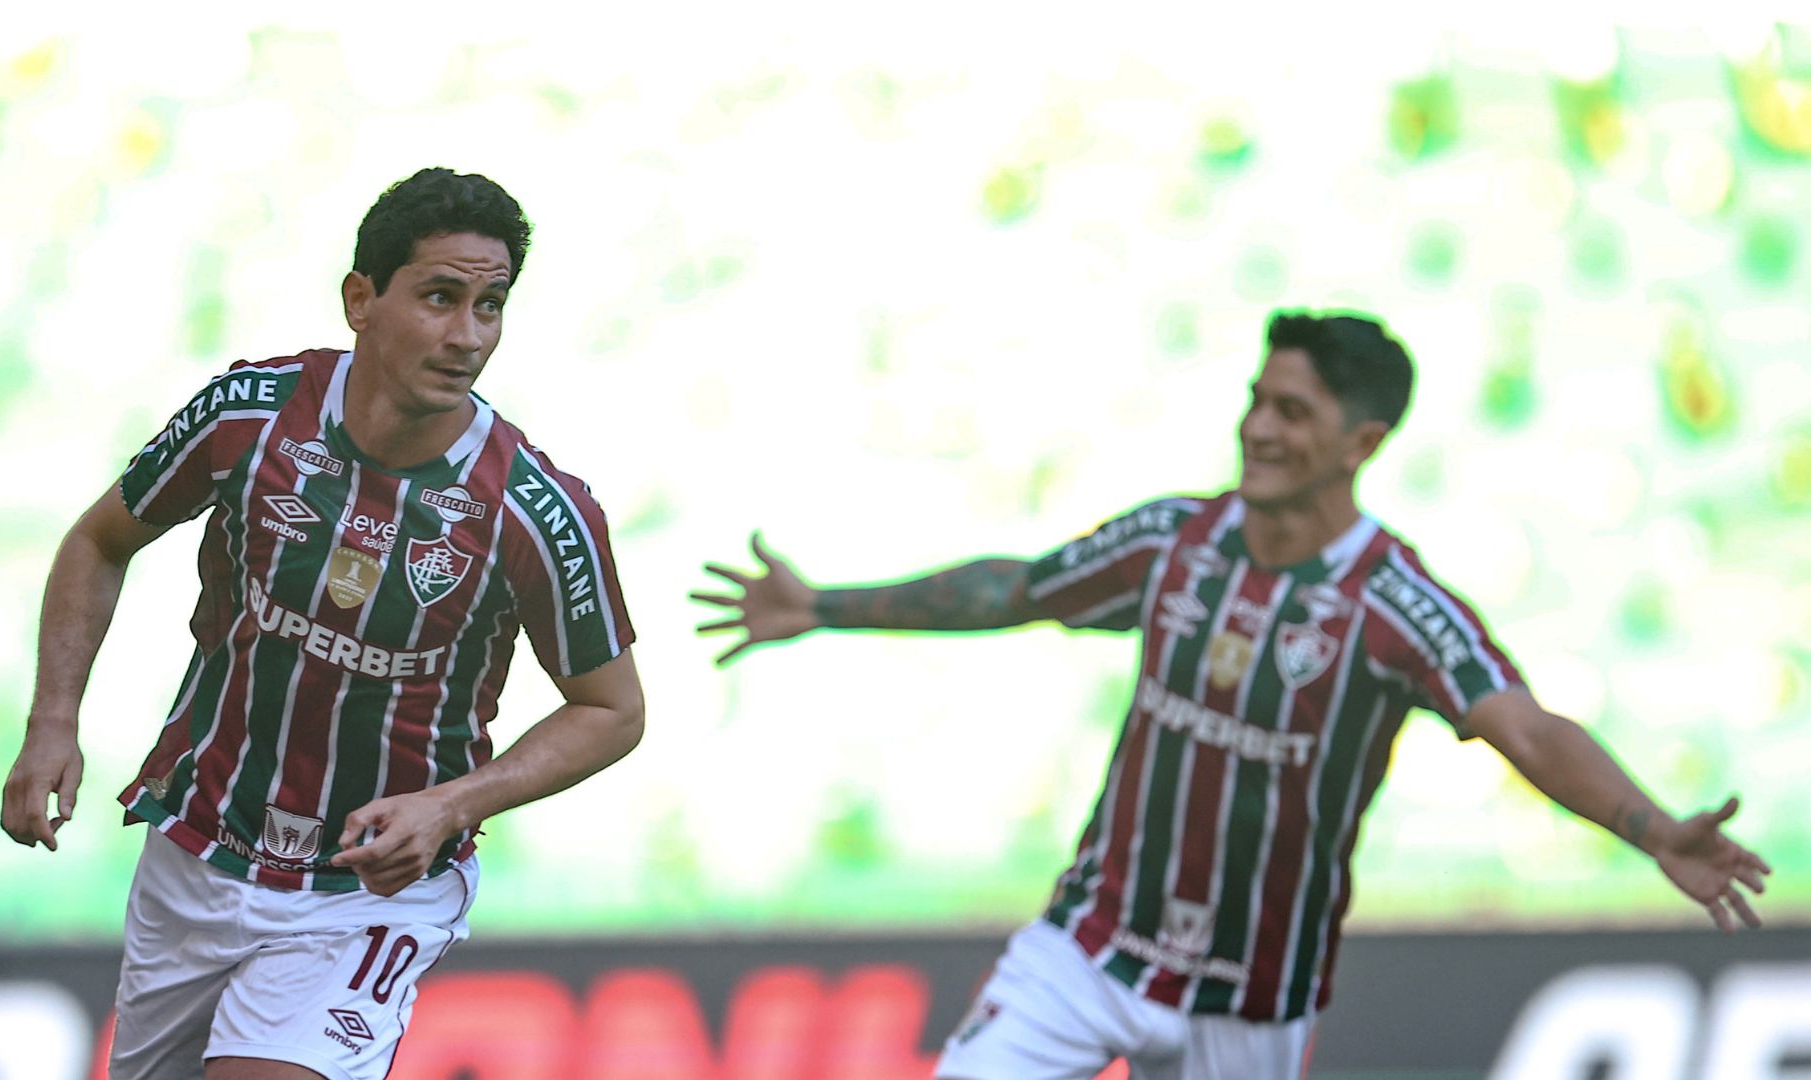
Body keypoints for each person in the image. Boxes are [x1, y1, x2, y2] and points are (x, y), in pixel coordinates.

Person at [692, 310, 1770, 1080]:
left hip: (1254, 1000)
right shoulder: (1175, 541)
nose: (1260, 426)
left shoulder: (1393, 605)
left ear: (1361, 442)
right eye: (1258, 398)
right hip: (1090, 950)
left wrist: (1649, 829)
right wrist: (827, 604)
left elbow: (1522, 725)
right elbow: (1017, 589)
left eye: (1293, 410)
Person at [0, 168, 644, 1080]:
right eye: (439, 297)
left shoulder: (534, 510)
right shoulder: (251, 414)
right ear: (361, 299)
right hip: (199, 846)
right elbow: (101, 540)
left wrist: (452, 805)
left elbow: (612, 709)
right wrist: (52, 724)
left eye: (491, 306)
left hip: (368, 890)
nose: (467, 335)